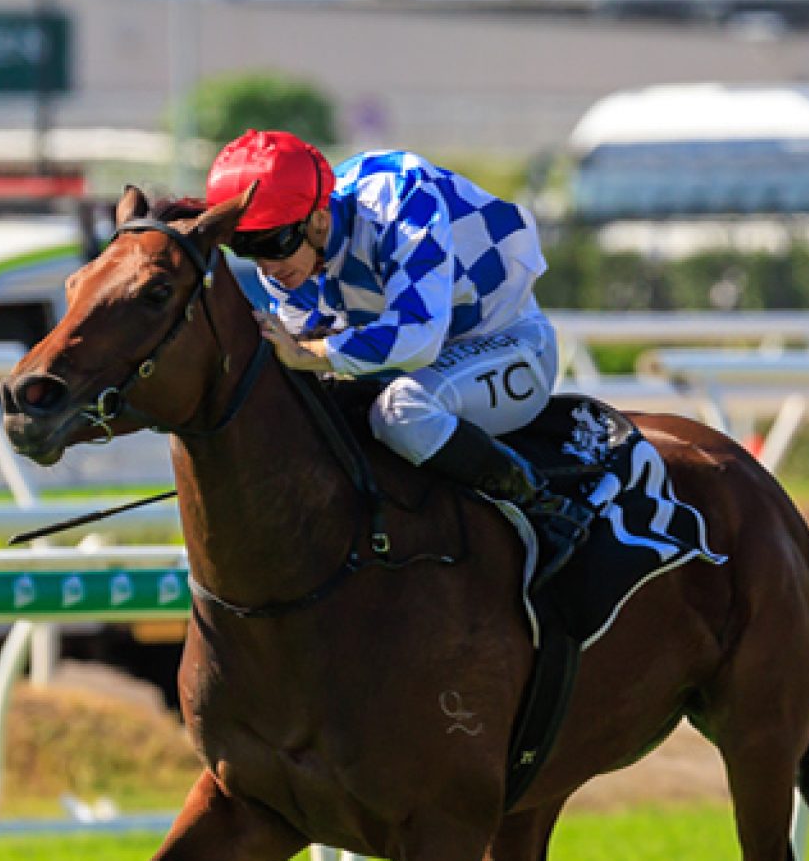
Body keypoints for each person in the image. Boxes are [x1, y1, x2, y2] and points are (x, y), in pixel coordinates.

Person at [204, 129, 591, 582]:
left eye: (271, 244)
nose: (265, 267)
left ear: (318, 219)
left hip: (507, 344)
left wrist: (311, 352)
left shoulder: (397, 193)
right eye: (245, 249)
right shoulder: (289, 257)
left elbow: (417, 338)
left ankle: (547, 509)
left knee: (401, 413)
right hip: (413, 365)